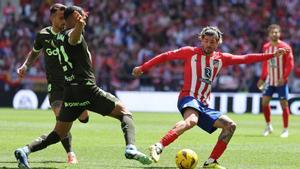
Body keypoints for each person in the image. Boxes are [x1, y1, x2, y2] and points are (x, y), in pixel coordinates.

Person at [14, 6, 152, 169]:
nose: (83, 18)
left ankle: (25, 150)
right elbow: (73, 38)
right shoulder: (72, 34)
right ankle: (130, 148)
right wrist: (79, 25)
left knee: (59, 133)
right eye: (79, 15)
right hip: (87, 90)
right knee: (124, 113)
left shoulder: (58, 38)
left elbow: (72, 40)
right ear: (72, 17)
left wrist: (79, 27)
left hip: (70, 93)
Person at [132, 26, 288, 169]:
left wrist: (272, 55)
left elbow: (246, 58)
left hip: (204, 103)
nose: (208, 45)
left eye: (212, 42)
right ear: (201, 39)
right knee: (191, 121)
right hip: (188, 97)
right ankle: (159, 146)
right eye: (206, 41)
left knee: (230, 126)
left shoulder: (221, 58)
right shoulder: (190, 52)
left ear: (218, 43)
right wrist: (143, 68)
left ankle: (211, 162)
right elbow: (166, 56)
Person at [15, 3, 90, 166]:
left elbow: (84, 51)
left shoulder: (69, 34)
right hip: (55, 87)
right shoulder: (43, 35)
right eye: (61, 17)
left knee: (84, 119)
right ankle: (70, 153)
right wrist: (25, 66)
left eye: (66, 17)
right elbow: (34, 52)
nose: (64, 20)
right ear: (52, 17)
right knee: (61, 119)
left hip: (74, 84)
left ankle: (79, 115)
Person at [256, 24, 294, 138]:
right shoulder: (266, 47)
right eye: (272, 32)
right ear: (269, 34)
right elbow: (265, 63)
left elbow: (290, 64)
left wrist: (284, 77)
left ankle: (285, 129)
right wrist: (262, 78)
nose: (274, 34)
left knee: (284, 104)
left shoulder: (285, 47)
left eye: (276, 32)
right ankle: (268, 126)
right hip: (270, 81)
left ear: (280, 33)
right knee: (264, 103)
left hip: (281, 81)